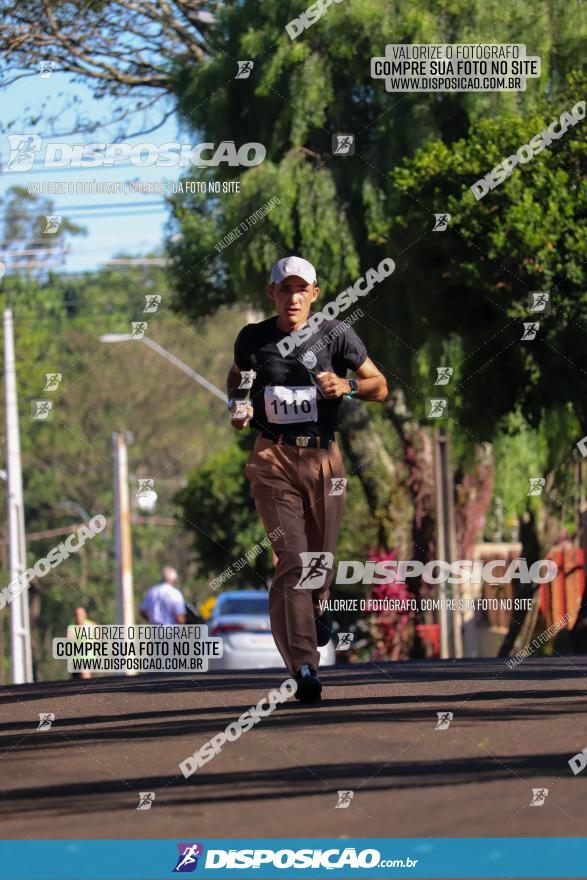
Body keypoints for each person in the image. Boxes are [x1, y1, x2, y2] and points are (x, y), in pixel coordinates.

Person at [227, 256, 388, 702]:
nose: (293, 297)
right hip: (272, 456)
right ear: (271, 293)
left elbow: (381, 385)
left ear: (315, 294)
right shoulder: (254, 339)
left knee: (319, 560)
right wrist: (237, 407)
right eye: (285, 289)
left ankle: (318, 603)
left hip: (324, 460)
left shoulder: (335, 334)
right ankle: (303, 666)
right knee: (291, 559)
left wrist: (348, 387)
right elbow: (238, 378)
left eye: (302, 289)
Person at [67, 606, 97, 680]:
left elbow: (97, 635)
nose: (79, 617)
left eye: (80, 615)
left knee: (85, 672)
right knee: (77, 677)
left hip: (88, 655)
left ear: (85, 615)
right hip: (76, 656)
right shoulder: (72, 627)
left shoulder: (91, 625)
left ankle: (87, 689)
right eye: (77, 615)